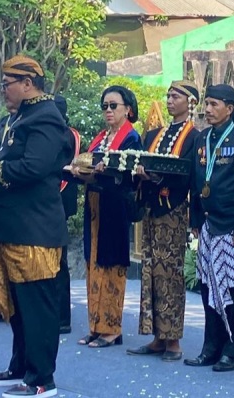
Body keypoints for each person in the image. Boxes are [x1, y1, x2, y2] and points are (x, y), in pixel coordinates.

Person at [0, 54, 73, 398]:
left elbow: (33, 168)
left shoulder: (45, 117)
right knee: (17, 304)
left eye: (7, 84)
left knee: (37, 306)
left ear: (28, 83)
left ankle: (42, 378)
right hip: (13, 225)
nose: (3, 91)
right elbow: (14, 161)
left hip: (34, 229)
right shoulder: (21, 116)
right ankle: (21, 366)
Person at [183, 84, 234, 372]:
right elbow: (195, 182)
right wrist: (194, 220)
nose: (208, 110)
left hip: (233, 229)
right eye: (207, 104)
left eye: (214, 104)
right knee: (207, 289)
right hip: (208, 225)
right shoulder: (202, 140)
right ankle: (210, 347)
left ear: (230, 107)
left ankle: (232, 351)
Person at [125, 80, 200, 362]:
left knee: (170, 273)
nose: (169, 100)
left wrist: (156, 176)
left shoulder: (194, 137)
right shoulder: (156, 133)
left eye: (176, 96)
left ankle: (174, 339)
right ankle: (158, 336)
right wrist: (141, 174)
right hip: (152, 209)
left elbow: (187, 174)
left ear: (190, 102)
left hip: (174, 209)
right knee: (151, 271)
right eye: (168, 95)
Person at [70, 85, 143, 348]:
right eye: (105, 106)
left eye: (114, 106)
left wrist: (98, 174)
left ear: (128, 109)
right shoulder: (101, 138)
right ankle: (95, 325)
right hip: (94, 206)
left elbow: (127, 177)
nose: (108, 111)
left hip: (115, 208)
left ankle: (112, 328)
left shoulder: (131, 138)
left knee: (112, 265)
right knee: (93, 265)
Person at [55, 94, 81, 335]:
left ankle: (63, 317)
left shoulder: (69, 134)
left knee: (59, 263)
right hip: (46, 204)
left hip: (59, 201)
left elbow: (66, 168)